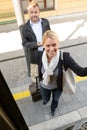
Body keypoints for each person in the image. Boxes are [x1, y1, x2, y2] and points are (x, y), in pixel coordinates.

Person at [38, 30, 87, 116]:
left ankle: (53, 109)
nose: (51, 49)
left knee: (55, 100)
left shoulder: (65, 57)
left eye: (54, 45)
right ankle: (45, 101)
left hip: (58, 88)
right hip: (44, 86)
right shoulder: (39, 55)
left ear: (58, 43)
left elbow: (81, 72)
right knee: (45, 99)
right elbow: (38, 71)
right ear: (43, 45)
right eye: (48, 45)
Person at [21, 0, 50, 78]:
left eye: (36, 12)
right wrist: (35, 44)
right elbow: (24, 43)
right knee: (38, 74)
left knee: (48, 70)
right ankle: (40, 85)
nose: (34, 14)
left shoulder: (45, 22)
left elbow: (49, 34)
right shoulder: (24, 27)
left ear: (39, 12)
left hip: (46, 52)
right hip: (35, 55)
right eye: (31, 12)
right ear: (28, 13)